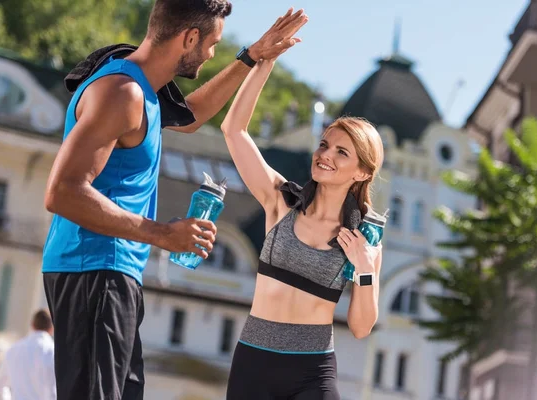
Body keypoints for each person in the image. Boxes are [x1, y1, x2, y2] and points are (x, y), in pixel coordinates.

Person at [40, 0, 308, 399]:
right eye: (213, 44)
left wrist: (252, 56)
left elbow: (192, 115)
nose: (213, 53)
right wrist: (163, 234)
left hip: (114, 274)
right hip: (94, 268)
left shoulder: (142, 89)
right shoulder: (122, 92)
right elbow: (62, 192)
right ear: (190, 37)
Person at [220, 35, 384, 399]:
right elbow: (234, 131)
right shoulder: (281, 202)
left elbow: (360, 328)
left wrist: (365, 269)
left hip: (313, 371)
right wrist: (265, 63)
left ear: (361, 172)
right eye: (324, 144)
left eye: (342, 152)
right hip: (254, 363)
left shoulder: (363, 240)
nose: (325, 155)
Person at [0, 309, 56, 400]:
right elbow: (54, 391)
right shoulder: (52, 352)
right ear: (51, 328)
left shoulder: (13, 350)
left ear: (32, 325)